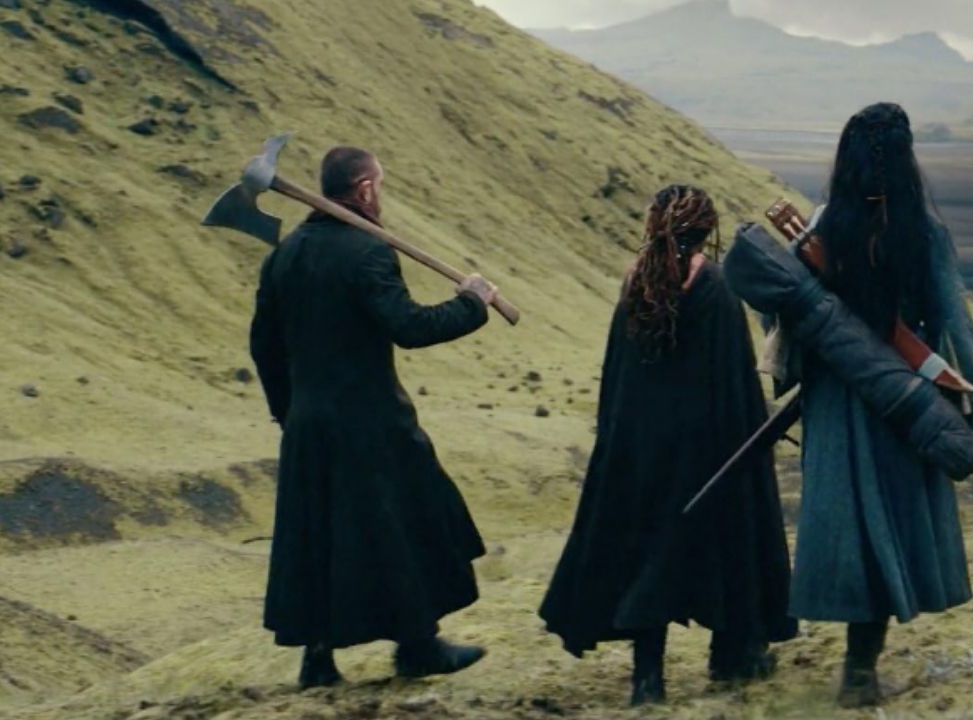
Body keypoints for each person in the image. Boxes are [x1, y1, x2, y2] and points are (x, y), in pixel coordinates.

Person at [728, 102, 973, 708]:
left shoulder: (820, 228)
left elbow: (780, 312)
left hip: (836, 401)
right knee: (889, 524)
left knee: (852, 525)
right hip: (906, 398)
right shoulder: (922, 232)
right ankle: (861, 672)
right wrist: (969, 406)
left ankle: (858, 670)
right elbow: (956, 324)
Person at [249, 146, 499, 689]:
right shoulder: (368, 252)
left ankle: (318, 660)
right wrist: (472, 303)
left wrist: (290, 411)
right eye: (378, 184)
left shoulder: (283, 256)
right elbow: (409, 326)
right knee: (403, 526)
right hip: (372, 424)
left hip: (309, 425)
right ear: (364, 189)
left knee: (320, 535)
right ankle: (419, 647)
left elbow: (263, 346)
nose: (380, 193)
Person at [539, 185, 798, 706]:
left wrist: (615, 440)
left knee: (645, 553)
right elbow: (735, 384)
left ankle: (648, 679)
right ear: (706, 230)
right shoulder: (715, 288)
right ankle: (734, 656)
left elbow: (619, 377)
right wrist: (752, 441)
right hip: (705, 453)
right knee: (725, 546)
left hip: (639, 453)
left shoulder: (636, 282)